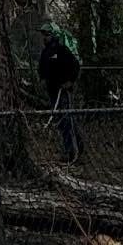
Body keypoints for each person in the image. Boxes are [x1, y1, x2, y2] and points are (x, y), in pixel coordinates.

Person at [37, 22, 82, 162]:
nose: (44, 38)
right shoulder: (45, 52)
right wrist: (42, 79)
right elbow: (43, 68)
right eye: (43, 35)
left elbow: (75, 65)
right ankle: (75, 147)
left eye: (47, 35)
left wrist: (70, 81)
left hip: (62, 91)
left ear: (54, 35)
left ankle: (72, 152)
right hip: (52, 91)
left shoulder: (61, 50)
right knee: (62, 121)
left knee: (66, 120)